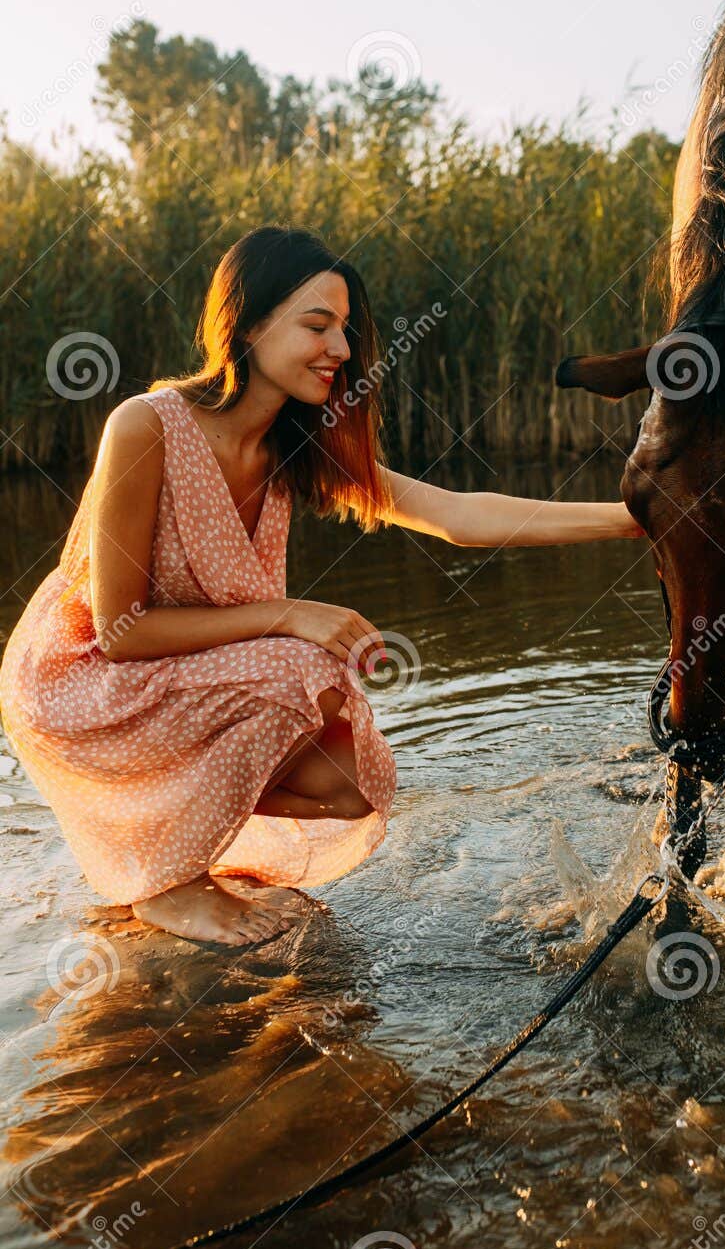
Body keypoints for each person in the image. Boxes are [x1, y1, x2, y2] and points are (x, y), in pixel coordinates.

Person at [0, 226, 642, 947]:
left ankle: (154, 823)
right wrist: (286, 614)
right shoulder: (146, 427)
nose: (340, 349)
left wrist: (638, 519)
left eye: (344, 329)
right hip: (79, 682)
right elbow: (120, 633)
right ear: (245, 325)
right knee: (303, 667)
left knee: (350, 785)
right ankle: (166, 884)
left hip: (182, 676)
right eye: (316, 325)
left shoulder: (295, 447)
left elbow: (457, 515)